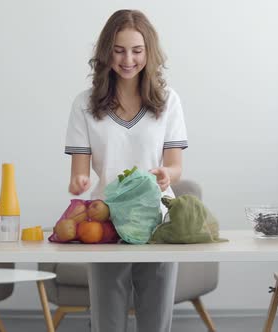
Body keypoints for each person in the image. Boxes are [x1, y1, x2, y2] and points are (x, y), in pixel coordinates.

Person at [64, 9, 188, 332]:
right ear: (106, 53)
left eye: (136, 50)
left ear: (149, 52)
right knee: (107, 322)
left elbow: (175, 166)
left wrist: (166, 174)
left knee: (156, 322)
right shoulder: (84, 105)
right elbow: (80, 172)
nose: (128, 59)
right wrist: (79, 182)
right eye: (119, 50)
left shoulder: (168, 102)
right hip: (105, 222)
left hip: (158, 222)